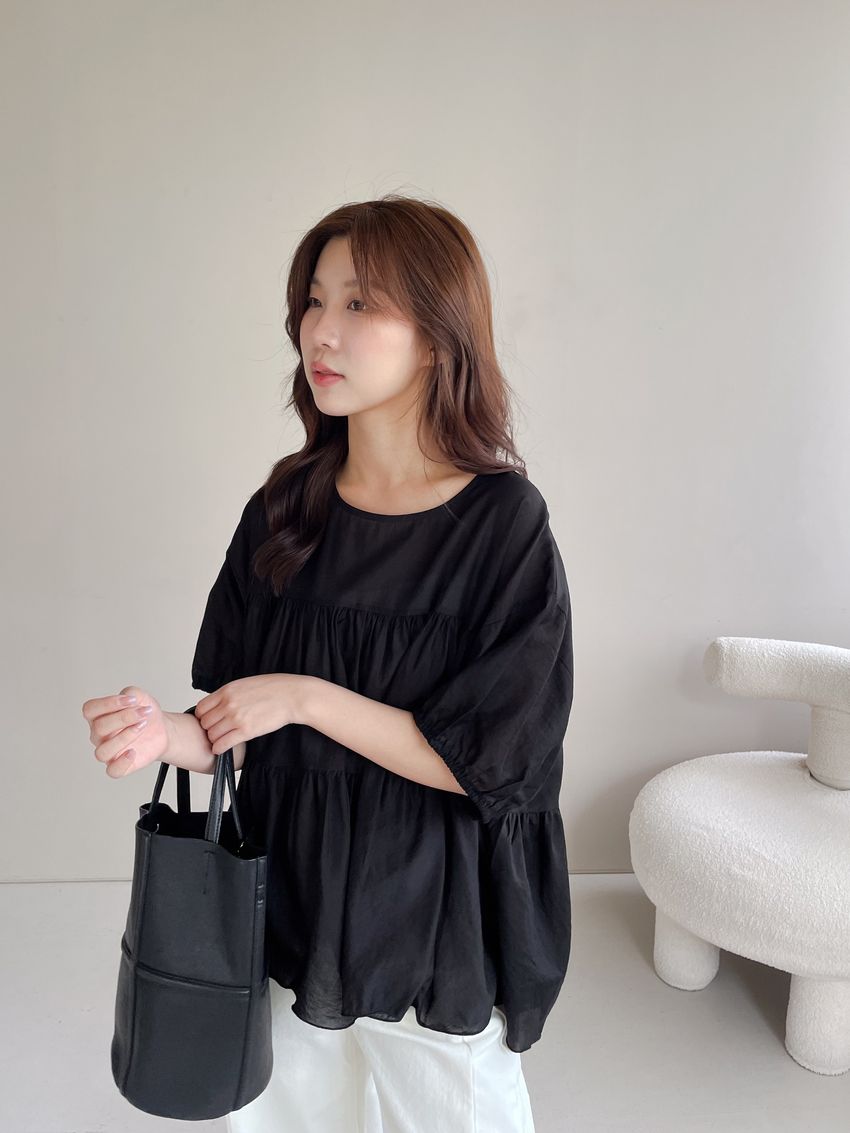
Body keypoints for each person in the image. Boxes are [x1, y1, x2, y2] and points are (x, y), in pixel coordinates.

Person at [82, 195, 574, 1133]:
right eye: (314, 300)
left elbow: (490, 762)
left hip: (432, 929)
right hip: (287, 914)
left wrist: (307, 696)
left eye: (359, 303)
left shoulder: (503, 526)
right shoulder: (284, 509)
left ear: (436, 336)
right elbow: (238, 729)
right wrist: (165, 733)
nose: (322, 329)